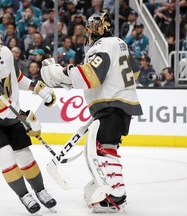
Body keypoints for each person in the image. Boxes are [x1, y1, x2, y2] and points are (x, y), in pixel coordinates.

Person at [40, 12, 142, 213]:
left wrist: (61, 73)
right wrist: (67, 79)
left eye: (91, 27)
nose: (89, 31)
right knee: (102, 148)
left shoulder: (102, 45)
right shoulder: (120, 43)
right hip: (120, 103)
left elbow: (92, 76)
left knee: (104, 149)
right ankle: (106, 188)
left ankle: (116, 197)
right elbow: (135, 71)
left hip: (111, 104)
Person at [0, 23, 57, 215]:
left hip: (10, 114)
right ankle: (24, 195)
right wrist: (25, 118)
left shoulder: (7, 53)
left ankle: (41, 191)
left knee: (25, 154)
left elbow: (15, 77)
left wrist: (38, 89)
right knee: (6, 156)